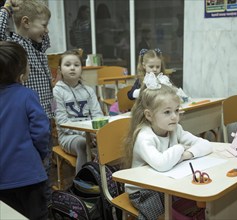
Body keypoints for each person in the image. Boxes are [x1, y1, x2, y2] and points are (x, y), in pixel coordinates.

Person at [123, 72, 213, 219]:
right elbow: (162, 164)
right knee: (162, 216)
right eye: (167, 112)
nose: (174, 117)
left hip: (165, 183)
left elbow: (206, 145)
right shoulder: (144, 136)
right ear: (149, 115)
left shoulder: (175, 128)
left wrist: (186, 155)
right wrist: (179, 148)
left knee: (195, 200)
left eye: (177, 110)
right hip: (143, 190)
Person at [0, 0, 54, 204]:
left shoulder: (38, 46)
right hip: (26, 120)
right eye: (44, 25)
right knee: (39, 163)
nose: (47, 31)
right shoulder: (16, 46)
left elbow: (43, 37)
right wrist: (6, 9)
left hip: (44, 116)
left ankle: (45, 200)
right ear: (25, 22)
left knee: (46, 166)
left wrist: (53, 114)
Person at [0, 41, 50, 220]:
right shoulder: (27, 95)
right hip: (30, 175)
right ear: (22, 71)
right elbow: (41, 132)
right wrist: (41, 154)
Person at [53, 50, 104, 174]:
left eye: (76, 65)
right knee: (82, 144)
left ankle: (105, 181)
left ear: (81, 68)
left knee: (109, 139)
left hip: (91, 134)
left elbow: (98, 115)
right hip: (68, 136)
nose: (72, 68)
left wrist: (96, 133)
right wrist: (85, 134)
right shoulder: (55, 92)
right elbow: (61, 122)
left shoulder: (89, 90)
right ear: (60, 69)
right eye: (68, 64)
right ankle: (81, 185)